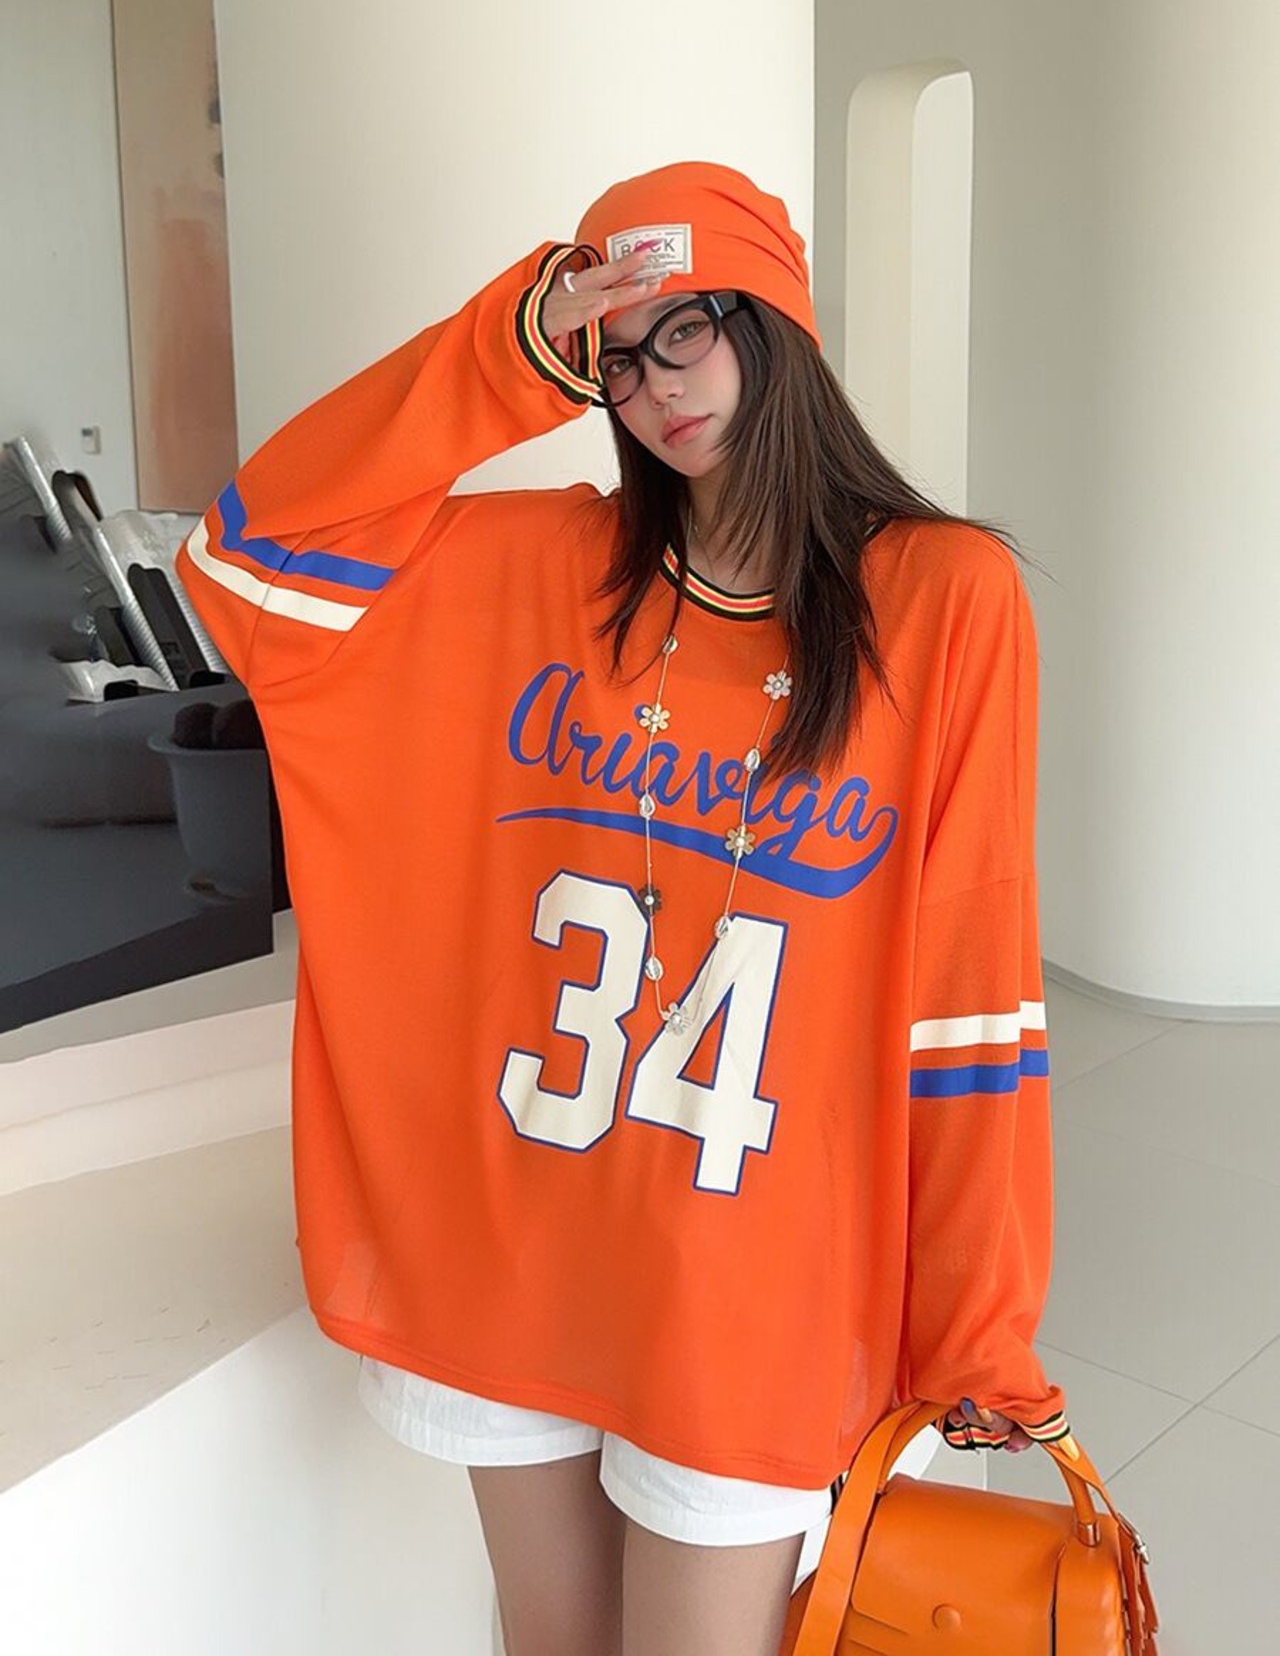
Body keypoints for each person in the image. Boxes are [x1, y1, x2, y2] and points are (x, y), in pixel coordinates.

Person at [176, 160, 1076, 1656]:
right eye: (614, 354)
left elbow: (971, 994)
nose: (656, 384)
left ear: (773, 324)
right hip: (522, 1237)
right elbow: (241, 562)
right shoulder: (551, 567)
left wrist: (978, 1323)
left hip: (751, 1282)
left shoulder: (943, 597)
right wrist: (505, 351)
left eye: (688, 329)